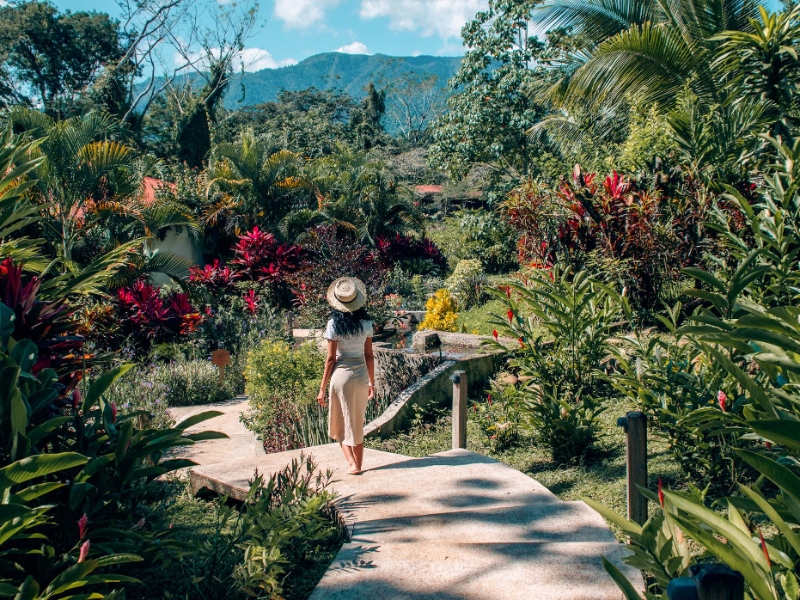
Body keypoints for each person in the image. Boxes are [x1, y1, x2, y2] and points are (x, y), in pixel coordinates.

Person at [317, 277, 375, 474]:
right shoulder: (367, 324)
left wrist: (322, 388)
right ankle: (358, 464)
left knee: (341, 422)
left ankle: (352, 464)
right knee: (356, 421)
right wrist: (372, 383)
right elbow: (369, 356)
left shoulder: (333, 324)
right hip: (360, 376)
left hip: (340, 376)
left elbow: (331, 359)